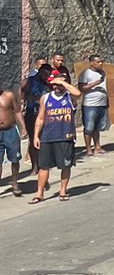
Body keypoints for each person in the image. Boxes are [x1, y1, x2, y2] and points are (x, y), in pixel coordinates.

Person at [32, 70, 80, 203]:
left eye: (60, 84)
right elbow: (40, 118)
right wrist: (36, 136)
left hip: (65, 136)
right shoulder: (46, 98)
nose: (57, 86)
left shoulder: (69, 97)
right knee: (44, 166)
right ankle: (40, 193)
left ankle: (63, 191)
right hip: (48, 137)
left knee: (65, 166)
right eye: (55, 84)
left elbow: (78, 94)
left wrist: (63, 83)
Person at [77, 54, 111, 156]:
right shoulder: (86, 74)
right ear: (91, 63)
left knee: (97, 127)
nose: (101, 64)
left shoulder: (103, 73)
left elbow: (105, 88)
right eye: (98, 62)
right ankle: (88, 149)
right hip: (90, 105)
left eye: (101, 62)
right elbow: (81, 88)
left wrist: (107, 101)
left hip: (102, 104)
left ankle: (97, 147)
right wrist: (95, 84)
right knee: (89, 128)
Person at [21, 55, 49, 170]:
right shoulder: (30, 80)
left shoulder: (50, 82)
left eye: (48, 74)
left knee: (45, 139)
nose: (46, 76)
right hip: (33, 113)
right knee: (33, 138)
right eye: (44, 74)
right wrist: (25, 100)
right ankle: (35, 166)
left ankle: (44, 163)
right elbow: (21, 90)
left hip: (47, 114)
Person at [0, 84, 22, 196]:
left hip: (11, 131)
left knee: (15, 159)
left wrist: (23, 128)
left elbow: (17, 111)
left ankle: (15, 182)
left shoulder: (9, 96)